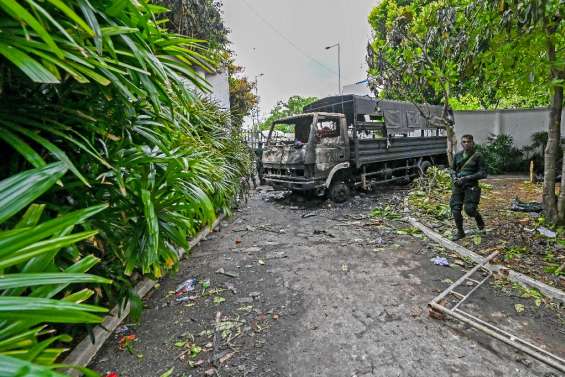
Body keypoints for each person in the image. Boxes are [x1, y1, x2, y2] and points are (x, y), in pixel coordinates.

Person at [450, 134, 487, 241]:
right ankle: (460, 232)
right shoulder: (457, 156)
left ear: (472, 143)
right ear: (461, 143)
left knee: (470, 210)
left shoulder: (478, 156)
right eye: (464, 142)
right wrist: (454, 178)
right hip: (458, 185)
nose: (466, 144)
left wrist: (466, 178)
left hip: (471, 186)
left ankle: (479, 220)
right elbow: (452, 169)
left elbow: (483, 173)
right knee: (455, 209)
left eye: (468, 142)